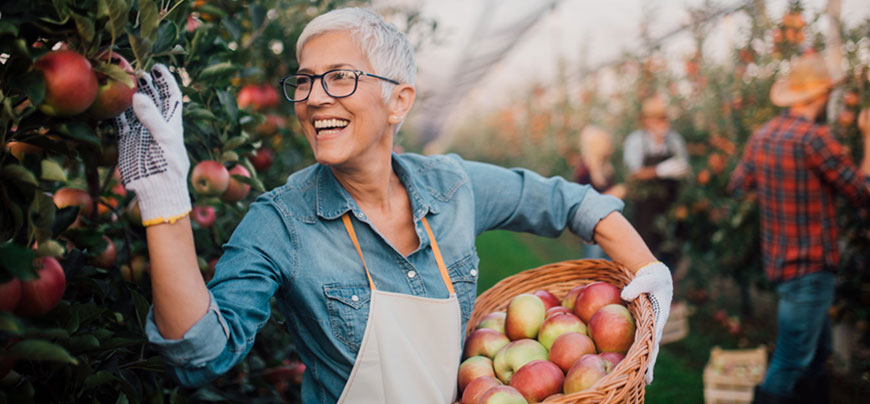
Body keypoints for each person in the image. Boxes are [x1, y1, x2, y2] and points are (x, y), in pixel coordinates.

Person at [117, 8, 673, 403]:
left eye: (339, 78)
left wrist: (648, 269)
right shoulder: (283, 221)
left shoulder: (453, 187)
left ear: (398, 101)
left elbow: (571, 202)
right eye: (306, 81)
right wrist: (165, 203)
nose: (313, 98)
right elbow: (201, 353)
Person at [728, 53, 870, 404]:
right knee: (791, 361)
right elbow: (861, 191)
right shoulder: (814, 139)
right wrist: (868, 139)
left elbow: (737, 185)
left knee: (815, 355)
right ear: (819, 96)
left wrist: (777, 185)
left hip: (781, 263)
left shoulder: (763, 136)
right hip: (811, 267)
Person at [622, 95, 690, 268]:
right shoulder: (636, 141)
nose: (663, 123)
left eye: (665, 118)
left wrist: (683, 171)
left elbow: (685, 167)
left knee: (670, 250)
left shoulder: (674, 140)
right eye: (659, 119)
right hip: (645, 208)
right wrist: (660, 170)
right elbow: (634, 173)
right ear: (646, 121)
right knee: (645, 251)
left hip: (670, 206)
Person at [573, 125, 626, 259]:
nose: (609, 145)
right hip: (592, 226)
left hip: (606, 224)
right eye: (606, 142)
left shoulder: (607, 169)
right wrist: (612, 194)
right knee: (594, 261)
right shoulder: (585, 170)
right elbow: (583, 201)